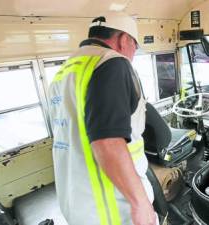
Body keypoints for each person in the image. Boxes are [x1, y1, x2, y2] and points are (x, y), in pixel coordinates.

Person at [48, 12, 157, 225]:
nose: (134, 53)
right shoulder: (113, 63)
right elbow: (107, 142)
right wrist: (141, 203)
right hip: (112, 205)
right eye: (135, 45)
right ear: (124, 39)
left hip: (76, 202)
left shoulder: (65, 70)